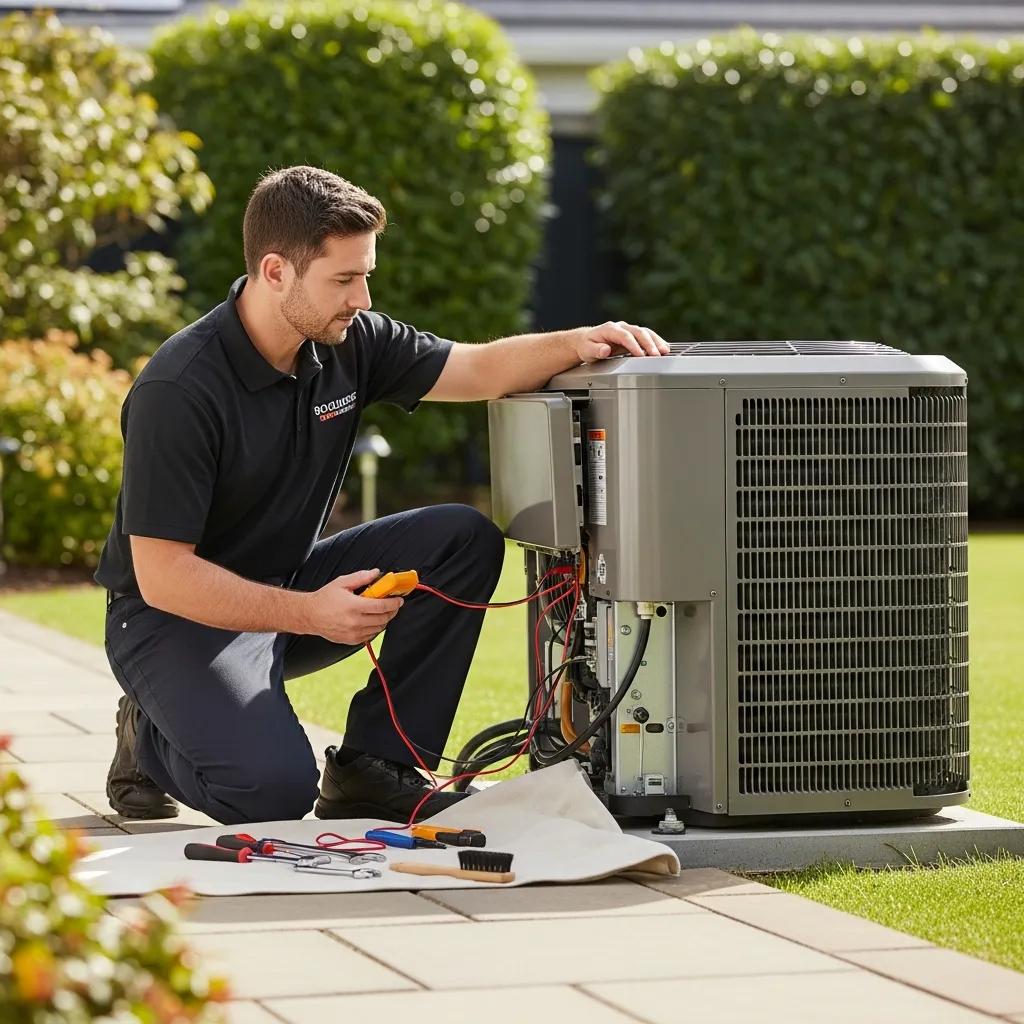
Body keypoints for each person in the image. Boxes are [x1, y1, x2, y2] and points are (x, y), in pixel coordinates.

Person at [94, 165, 667, 825]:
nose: (361, 298)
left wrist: (580, 341)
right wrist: (310, 613)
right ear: (275, 271)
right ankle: (149, 735)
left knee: (461, 539)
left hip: (290, 584)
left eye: (366, 275)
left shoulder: (350, 342)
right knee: (271, 794)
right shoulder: (180, 390)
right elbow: (163, 577)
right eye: (344, 279)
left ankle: (376, 770)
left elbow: (475, 367)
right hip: (172, 617)